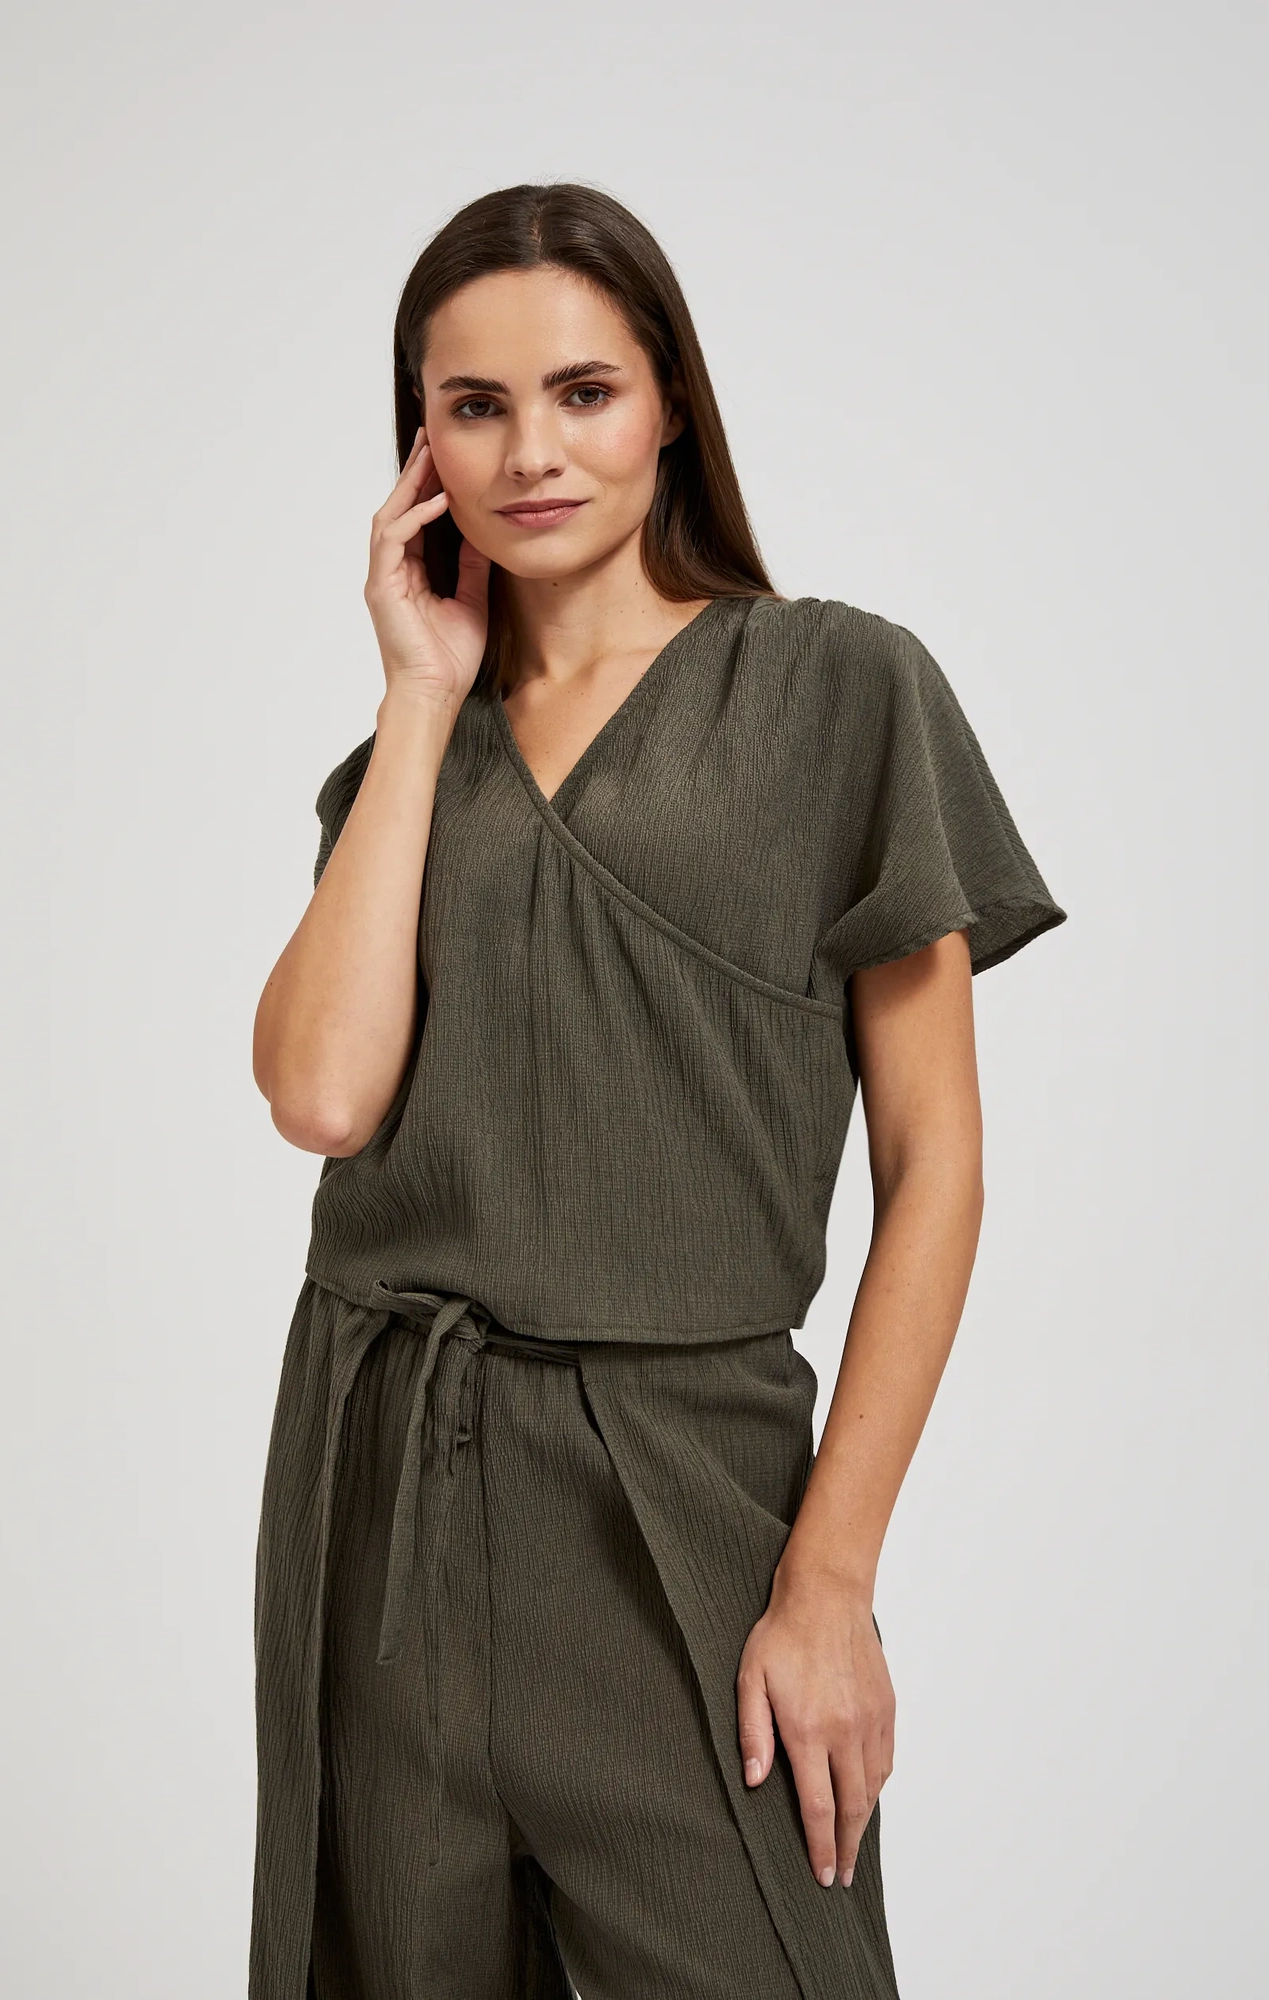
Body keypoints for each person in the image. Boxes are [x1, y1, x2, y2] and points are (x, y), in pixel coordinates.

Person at [249, 182, 1066, 2000]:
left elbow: (934, 1166)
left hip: (680, 1490)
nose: (529, 452)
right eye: (473, 407)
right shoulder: (400, 766)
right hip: (382, 1489)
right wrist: (415, 696)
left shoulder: (839, 690)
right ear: (417, 445)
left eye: (582, 392)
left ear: (671, 401)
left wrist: (827, 1579)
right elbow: (317, 1098)